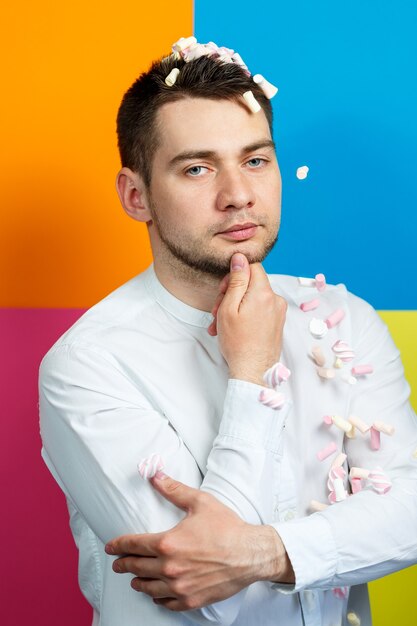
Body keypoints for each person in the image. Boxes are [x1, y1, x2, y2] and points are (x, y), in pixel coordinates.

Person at [39, 37, 417, 626]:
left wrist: (268, 551)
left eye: (255, 160)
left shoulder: (343, 318)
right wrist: (251, 375)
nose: (238, 195)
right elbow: (211, 595)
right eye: (196, 168)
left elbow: (411, 513)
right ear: (136, 195)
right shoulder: (88, 364)